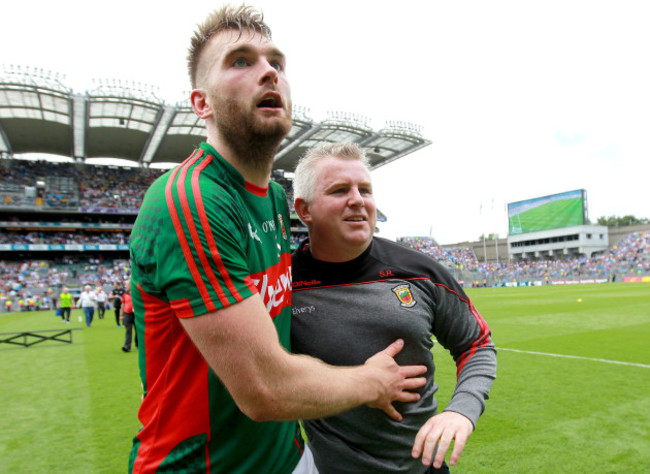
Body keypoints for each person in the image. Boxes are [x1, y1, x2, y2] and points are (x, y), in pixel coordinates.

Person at [127, 5, 426, 473]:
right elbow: (264, 388)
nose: (268, 71)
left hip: (287, 455)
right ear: (201, 103)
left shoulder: (272, 198)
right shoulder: (190, 200)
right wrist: (372, 382)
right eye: (240, 61)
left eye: (277, 62)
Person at [291, 143, 497, 473]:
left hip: (424, 468)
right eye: (340, 190)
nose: (358, 199)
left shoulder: (421, 271)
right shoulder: (283, 286)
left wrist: (462, 410)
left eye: (366, 190)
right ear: (305, 210)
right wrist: (360, 383)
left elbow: (477, 344)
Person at [120, 280, 135, 352]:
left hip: (135, 314)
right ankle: (127, 346)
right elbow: (122, 305)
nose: (125, 286)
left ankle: (138, 344)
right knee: (128, 330)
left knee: (138, 331)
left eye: (127, 284)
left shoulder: (136, 293)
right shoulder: (125, 295)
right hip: (127, 314)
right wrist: (121, 315)